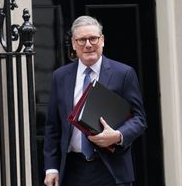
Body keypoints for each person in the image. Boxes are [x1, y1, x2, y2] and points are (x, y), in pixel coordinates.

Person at [43, 15, 147, 186]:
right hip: (71, 170)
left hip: (111, 169)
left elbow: (139, 119)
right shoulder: (60, 76)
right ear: (74, 44)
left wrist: (117, 136)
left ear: (103, 40)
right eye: (82, 40)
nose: (88, 44)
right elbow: (52, 126)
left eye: (93, 38)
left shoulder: (123, 74)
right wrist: (51, 168)